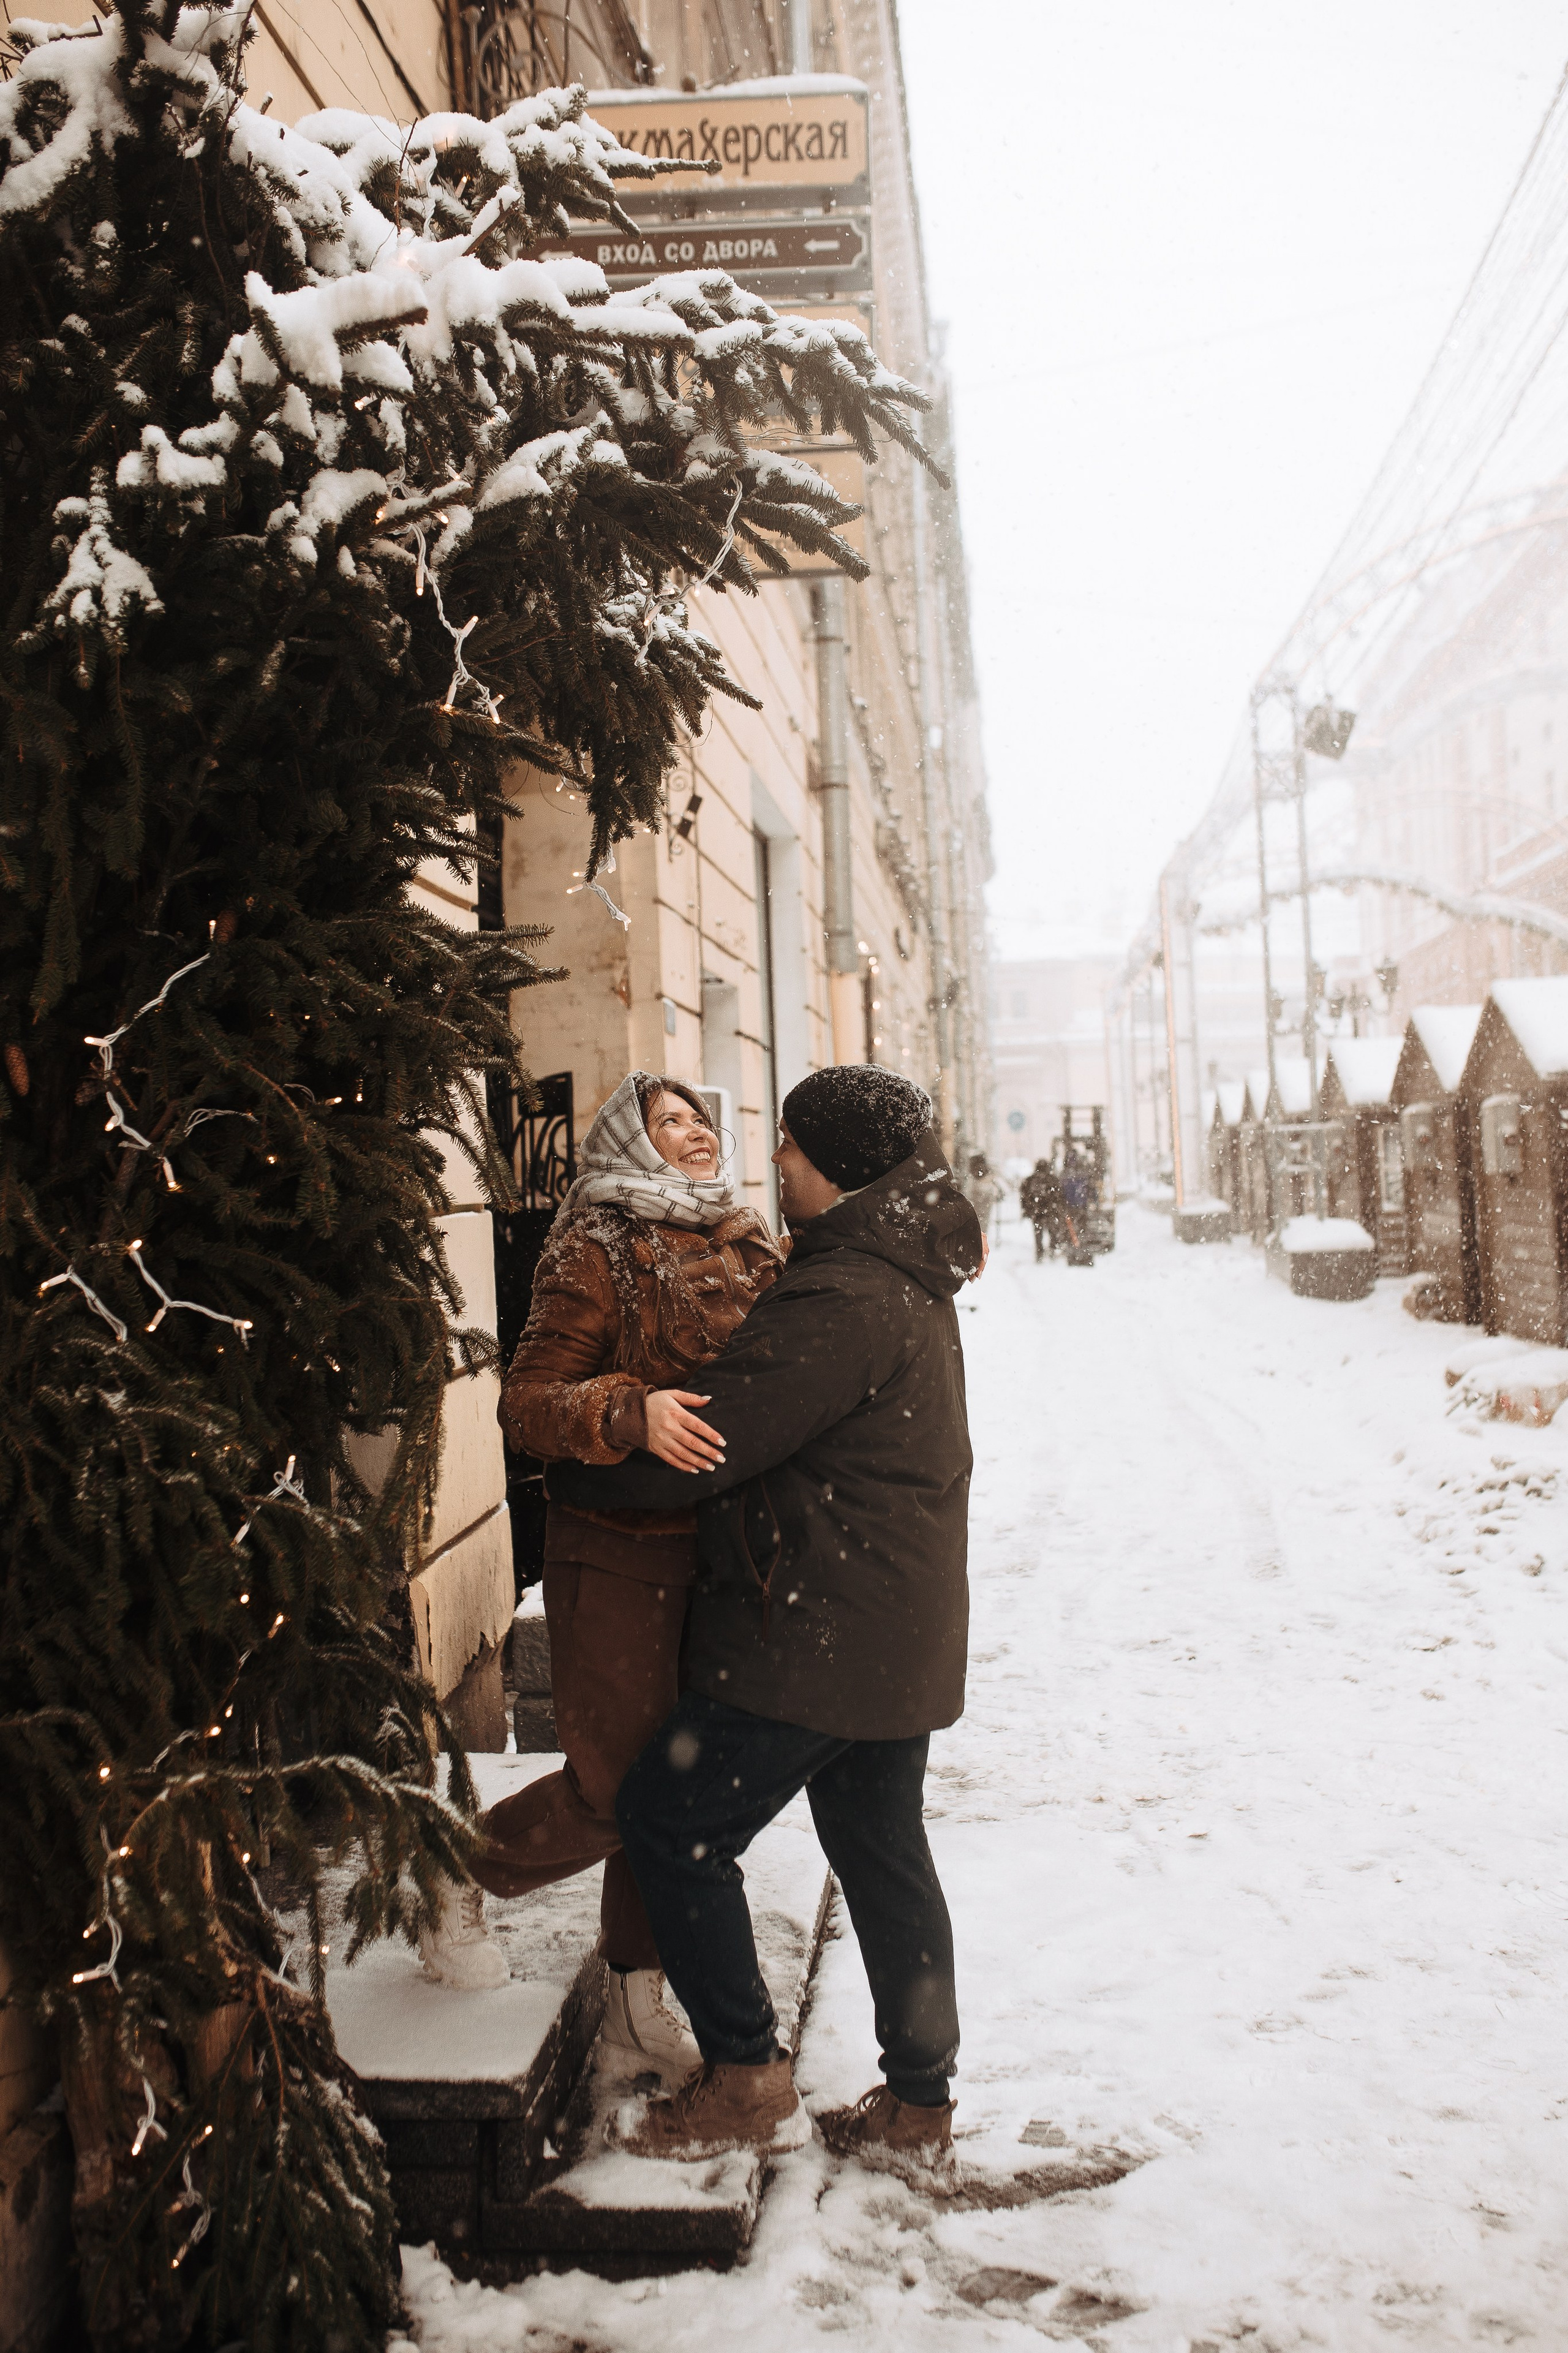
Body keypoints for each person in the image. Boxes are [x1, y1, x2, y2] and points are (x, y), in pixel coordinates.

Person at [549, 1065, 982, 2175]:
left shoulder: (843, 1296)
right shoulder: (891, 1265)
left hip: (817, 1630)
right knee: (882, 1850)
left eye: (789, 1142)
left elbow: (714, 1439)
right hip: (890, 1622)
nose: (773, 1158)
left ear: (834, 1164)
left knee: (671, 1821)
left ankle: (745, 2078)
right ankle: (920, 2105)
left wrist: (576, 1471)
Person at [415, 1071, 785, 2080]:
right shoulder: (596, 1241)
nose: (695, 1130)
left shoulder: (748, 1235)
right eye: (668, 1121)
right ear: (628, 1141)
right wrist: (628, 1411)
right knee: (618, 1785)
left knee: (673, 1787)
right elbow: (528, 1401)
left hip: (719, 1548)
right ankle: (451, 1868)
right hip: (617, 1549)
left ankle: (634, 2000)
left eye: (699, 1116)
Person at [1019, 1155, 1065, 1262]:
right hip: (1051, 1211)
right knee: (1052, 1232)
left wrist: (1027, 1210)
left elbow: (1024, 1196)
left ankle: (1040, 1253)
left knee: (1038, 1233)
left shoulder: (1030, 1180)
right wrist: (1058, 1208)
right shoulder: (1053, 1179)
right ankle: (1052, 1251)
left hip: (1037, 1212)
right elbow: (1059, 1196)